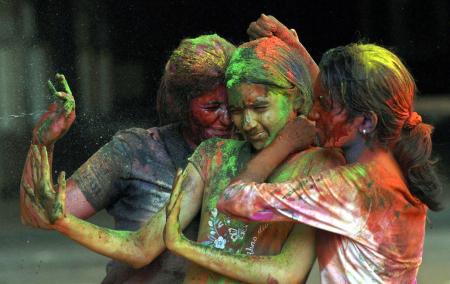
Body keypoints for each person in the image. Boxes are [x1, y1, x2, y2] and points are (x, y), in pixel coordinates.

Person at [25, 36, 345, 283]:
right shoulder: (190, 154)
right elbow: (136, 246)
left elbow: (285, 274)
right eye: (229, 109)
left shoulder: (313, 164)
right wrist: (62, 216)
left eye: (256, 107)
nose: (240, 122)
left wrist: (185, 246)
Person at [218, 41, 445, 283]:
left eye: (322, 104)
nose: (312, 113)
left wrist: (283, 143)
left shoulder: (347, 189)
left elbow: (234, 199)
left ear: (367, 122)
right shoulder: (399, 168)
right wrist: (298, 49)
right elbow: (347, 103)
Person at [20, 34, 235, 283]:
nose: (228, 119)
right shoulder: (137, 152)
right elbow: (38, 213)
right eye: (211, 108)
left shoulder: (255, 153)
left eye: (236, 106)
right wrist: (42, 142)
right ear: (182, 104)